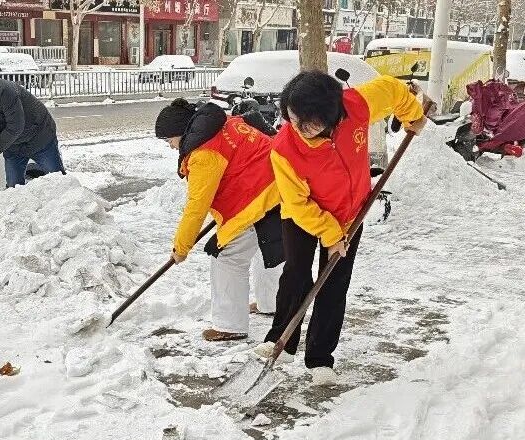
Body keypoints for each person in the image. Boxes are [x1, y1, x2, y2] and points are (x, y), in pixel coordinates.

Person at [254, 71, 427, 386]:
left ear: (332, 113)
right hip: (303, 213)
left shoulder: (355, 105)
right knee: (296, 273)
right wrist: (331, 235)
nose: (299, 128)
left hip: (349, 213)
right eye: (293, 119)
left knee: (334, 282)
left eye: (309, 123)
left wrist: (412, 115)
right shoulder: (284, 149)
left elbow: (392, 89)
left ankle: (320, 357)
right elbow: (297, 202)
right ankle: (282, 340)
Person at [154, 98, 284, 342]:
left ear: (180, 132)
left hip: (259, 196)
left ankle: (230, 325)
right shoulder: (224, 124)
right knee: (261, 247)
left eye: (169, 140)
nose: (171, 146)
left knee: (228, 257)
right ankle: (270, 303)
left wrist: (181, 248)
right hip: (278, 185)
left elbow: (196, 207)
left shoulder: (204, 154)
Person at [0, 71, 63, 187]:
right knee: (13, 187)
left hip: (40, 136)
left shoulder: (3, 90)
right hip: (13, 144)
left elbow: (16, 126)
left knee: (58, 181)